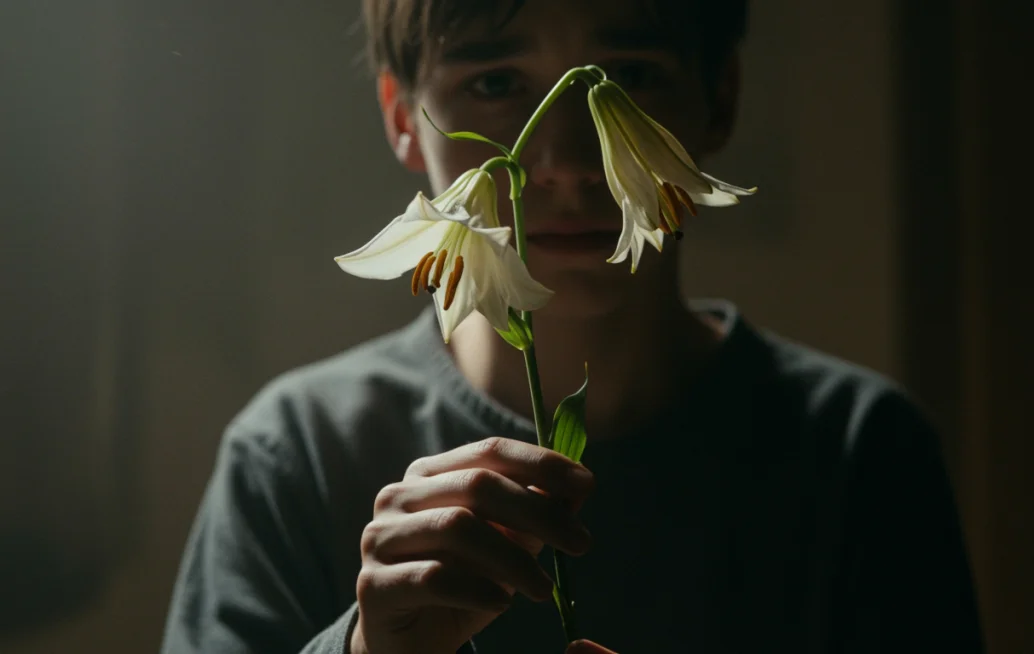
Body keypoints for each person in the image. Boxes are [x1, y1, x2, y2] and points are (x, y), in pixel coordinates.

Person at [159, 1, 985, 653]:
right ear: (404, 118)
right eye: (492, 83)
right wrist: (368, 650)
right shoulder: (293, 453)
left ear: (720, 96)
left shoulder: (861, 453)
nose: (561, 161)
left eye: (626, 74)